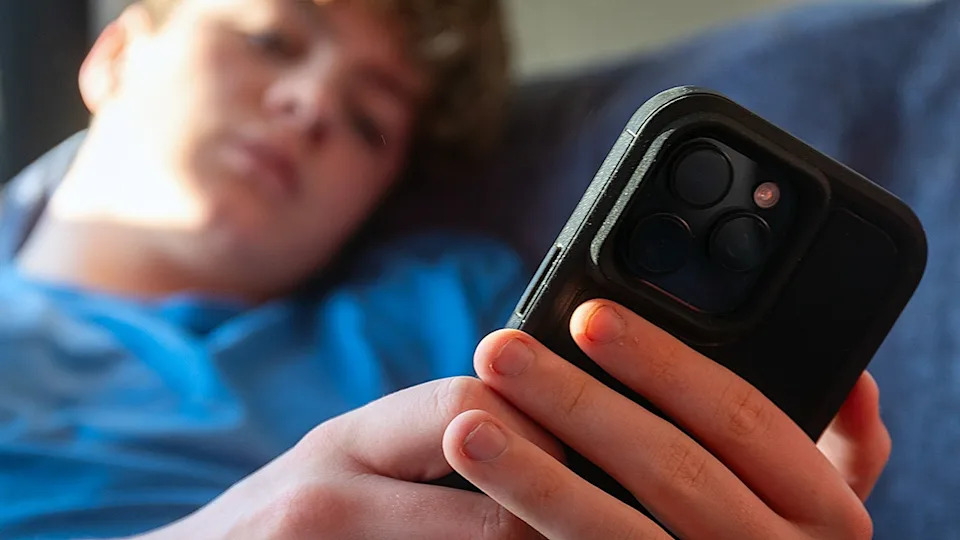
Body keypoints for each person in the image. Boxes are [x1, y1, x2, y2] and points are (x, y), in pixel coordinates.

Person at [0, 0, 891, 538]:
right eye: (272, 38)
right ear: (117, 55)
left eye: (369, 123)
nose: (311, 105)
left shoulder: (446, 304)